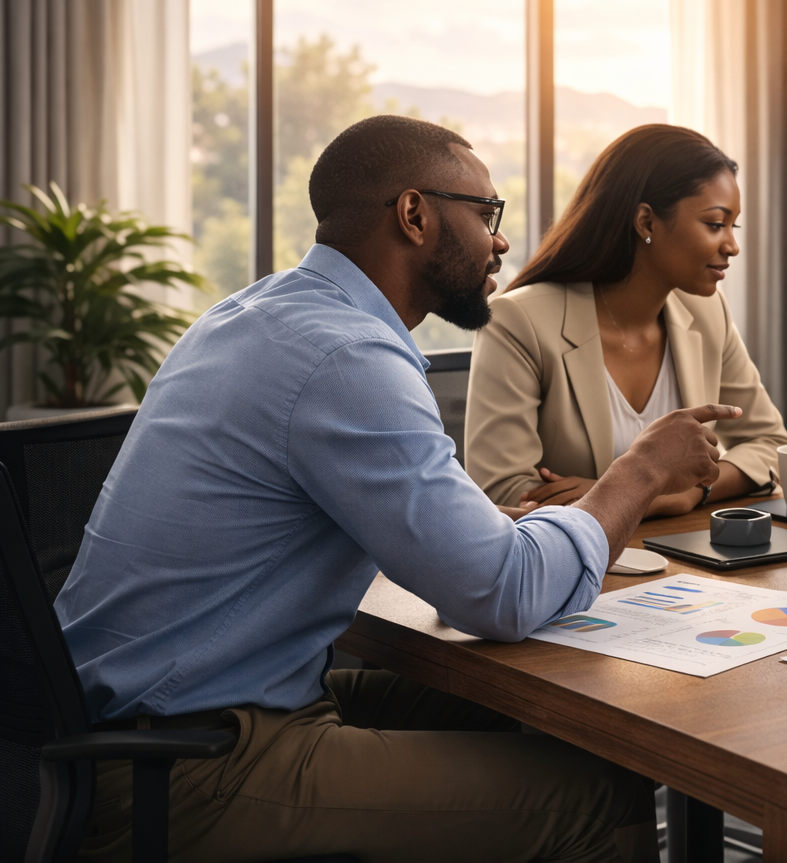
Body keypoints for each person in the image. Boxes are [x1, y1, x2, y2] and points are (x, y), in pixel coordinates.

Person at [54, 115, 738, 863]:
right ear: (415, 215)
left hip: (149, 720)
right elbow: (499, 593)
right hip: (185, 764)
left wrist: (483, 526)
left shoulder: (254, 314)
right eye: (485, 215)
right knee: (599, 800)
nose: (501, 242)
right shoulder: (348, 355)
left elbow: (430, 546)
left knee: (526, 711)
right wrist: (638, 472)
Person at [465, 124, 787, 516]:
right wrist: (652, 489)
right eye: (715, 224)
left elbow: (770, 442)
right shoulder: (518, 322)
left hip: (686, 557)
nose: (732, 246)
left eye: (732, 226)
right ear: (647, 222)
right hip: (578, 568)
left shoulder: (707, 313)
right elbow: (504, 491)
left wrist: (683, 493)